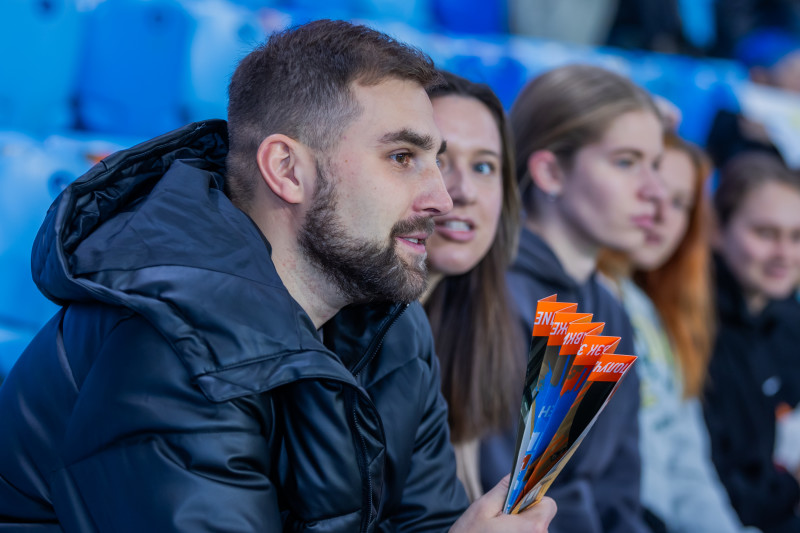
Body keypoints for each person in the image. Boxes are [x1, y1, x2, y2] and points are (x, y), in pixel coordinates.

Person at [0, 20, 557, 531]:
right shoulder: (173, 352)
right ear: (288, 170)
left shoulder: (390, 324)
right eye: (402, 157)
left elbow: (422, 523)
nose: (441, 197)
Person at [479, 63, 665, 533]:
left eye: (655, 165)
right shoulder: (494, 297)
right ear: (550, 171)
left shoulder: (610, 309)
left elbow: (621, 489)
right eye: (626, 162)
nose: (655, 192)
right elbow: (505, 499)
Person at [600, 131, 757, 533]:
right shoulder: (575, 304)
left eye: (680, 203)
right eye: (648, 191)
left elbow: (689, 467)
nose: (661, 214)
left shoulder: (647, 308)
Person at [419, 71, 523, 502]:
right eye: (439, 160)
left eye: (484, 167)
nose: (461, 192)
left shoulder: (478, 323)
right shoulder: (339, 328)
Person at [704, 151, 800, 533]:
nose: (784, 254)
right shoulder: (693, 328)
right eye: (765, 233)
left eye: (796, 237)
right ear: (717, 230)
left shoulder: (788, 319)